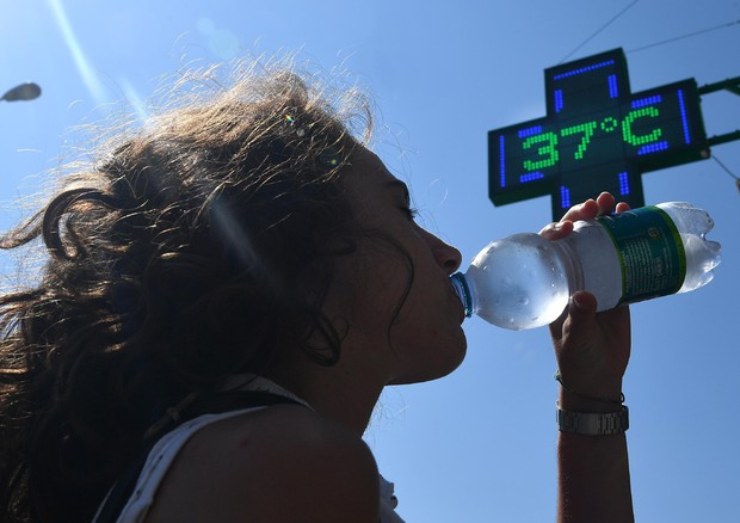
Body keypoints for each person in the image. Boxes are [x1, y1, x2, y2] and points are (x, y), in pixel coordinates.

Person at [0, 64, 634, 522]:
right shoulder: (283, 467)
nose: (447, 254)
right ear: (296, 256)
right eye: (402, 212)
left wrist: (591, 397)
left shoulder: (225, 457)